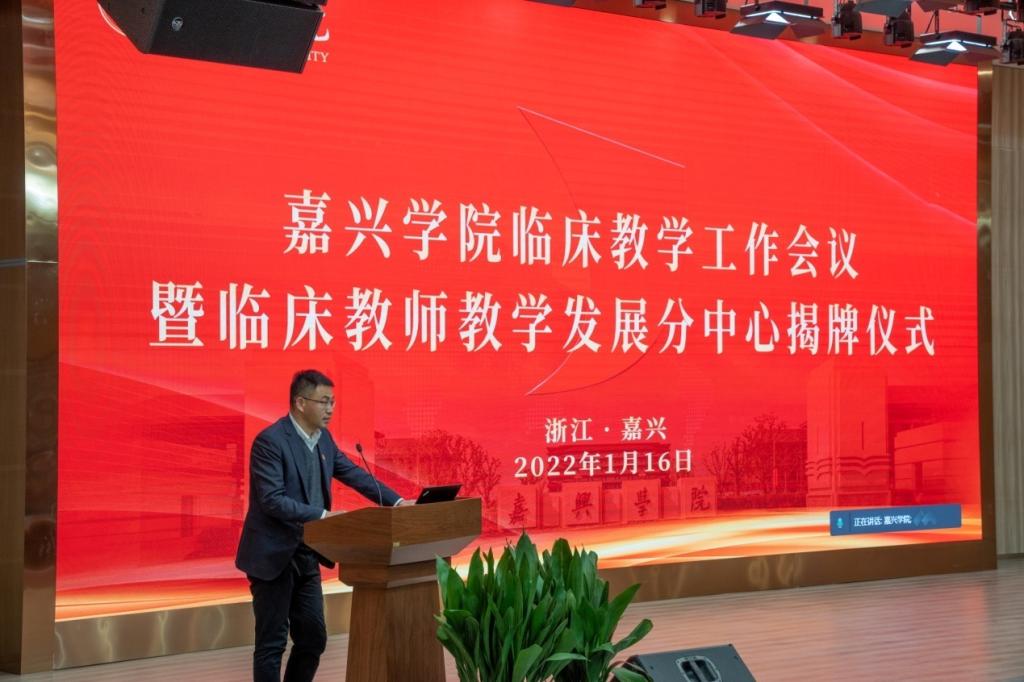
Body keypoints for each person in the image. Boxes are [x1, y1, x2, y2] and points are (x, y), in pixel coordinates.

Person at [235, 369, 409, 682]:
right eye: (324, 401)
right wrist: (325, 516)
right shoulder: (271, 442)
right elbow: (272, 500)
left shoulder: (323, 440)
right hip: (272, 556)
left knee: (313, 639)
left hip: (307, 552)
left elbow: (353, 474)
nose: (330, 409)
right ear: (300, 402)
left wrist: (397, 502)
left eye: (333, 402)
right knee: (272, 643)